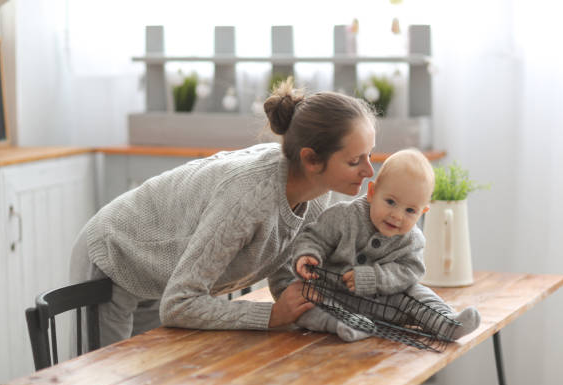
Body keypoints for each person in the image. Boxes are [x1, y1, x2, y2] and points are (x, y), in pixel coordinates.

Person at [69, 78, 378, 346]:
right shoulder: (248, 197)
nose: (368, 170)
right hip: (116, 255)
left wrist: (330, 313)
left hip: (163, 275)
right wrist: (271, 315)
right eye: (355, 161)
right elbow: (180, 304)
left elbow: (283, 272)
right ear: (311, 159)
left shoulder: (315, 191)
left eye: (369, 156)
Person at [292, 149, 481, 342]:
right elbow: (314, 237)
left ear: (422, 212)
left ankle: (446, 324)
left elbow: (410, 270)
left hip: (388, 302)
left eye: (410, 210)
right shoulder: (343, 216)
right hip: (333, 296)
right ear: (372, 193)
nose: (397, 216)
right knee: (304, 304)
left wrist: (373, 278)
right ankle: (347, 325)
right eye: (390, 202)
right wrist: (309, 254)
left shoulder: (412, 240)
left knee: (418, 294)